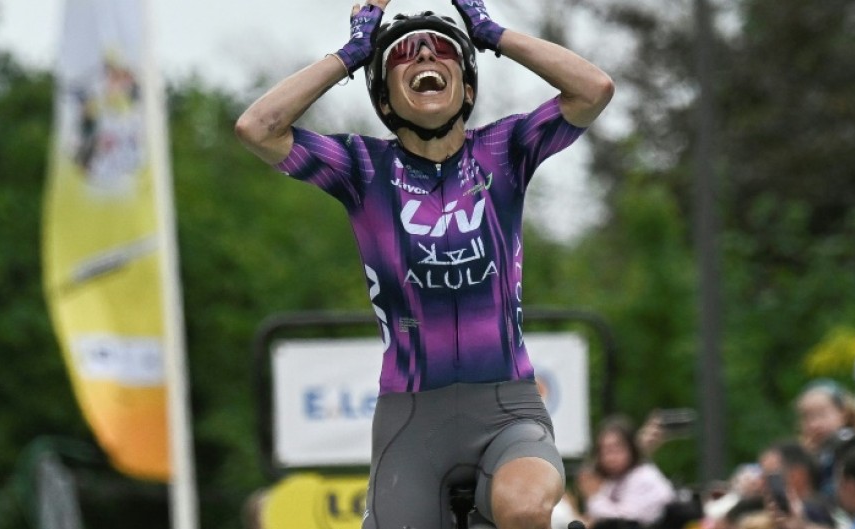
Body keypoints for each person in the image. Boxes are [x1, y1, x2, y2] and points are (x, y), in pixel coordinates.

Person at [234, 1, 615, 528]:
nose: (423, 56)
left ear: (468, 89)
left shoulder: (504, 151)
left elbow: (594, 89)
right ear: (383, 98)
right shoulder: (363, 168)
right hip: (411, 419)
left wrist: (491, 32)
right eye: (403, 55)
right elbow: (257, 127)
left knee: (525, 508)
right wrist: (351, 53)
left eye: (441, 50)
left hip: (508, 408)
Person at [575, 415, 676, 527]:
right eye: (604, 451)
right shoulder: (616, 480)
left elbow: (624, 521)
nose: (610, 457)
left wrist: (594, 498)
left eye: (615, 449)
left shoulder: (644, 476)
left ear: (631, 448)